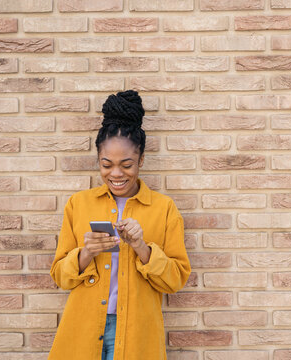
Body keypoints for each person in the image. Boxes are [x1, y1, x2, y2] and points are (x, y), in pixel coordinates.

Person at [49, 90, 191, 360]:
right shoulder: (78, 205)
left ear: (141, 160)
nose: (115, 174)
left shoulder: (163, 209)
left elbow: (175, 279)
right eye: (106, 164)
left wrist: (141, 247)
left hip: (138, 331)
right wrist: (86, 253)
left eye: (126, 164)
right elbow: (60, 276)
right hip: (83, 326)